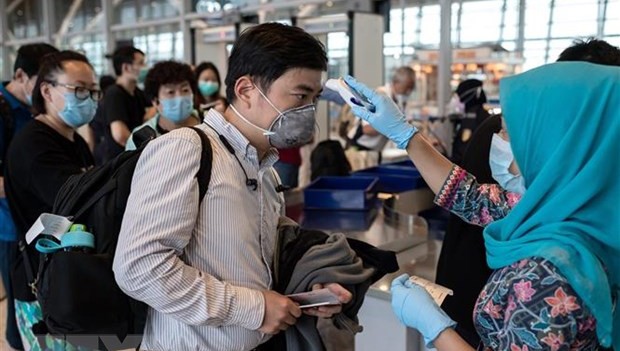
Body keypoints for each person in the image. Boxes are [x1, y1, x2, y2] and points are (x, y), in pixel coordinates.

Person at [345, 60, 619, 349]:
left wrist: (437, 329)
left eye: (507, 133)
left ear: (553, 145)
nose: (497, 142)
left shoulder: (548, 275)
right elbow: (471, 197)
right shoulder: (574, 215)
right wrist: (405, 134)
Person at [113, 23, 352, 350]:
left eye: (313, 97)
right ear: (246, 90)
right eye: (300, 95)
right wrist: (254, 308)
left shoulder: (266, 168)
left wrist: (309, 288)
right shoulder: (186, 149)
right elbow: (138, 268)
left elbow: (255, 263)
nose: (308, 110)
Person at [4, 50, 100, 350]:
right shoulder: (34, 145)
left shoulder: (74, 140)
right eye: (79, 89)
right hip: (42, 285)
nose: (90, 99)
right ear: (46, 90)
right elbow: (82, 202)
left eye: (93, 91)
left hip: (71, 278)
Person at [0, 42, 58, 351]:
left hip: (43, 225)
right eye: (43, 81)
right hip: (11, 226)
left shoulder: (36, 110)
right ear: (21, 75)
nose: (48, 90)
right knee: (19, 300)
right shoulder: (4, 109)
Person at [125, 60, 202, 150]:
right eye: (170, 92)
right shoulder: (140, 139)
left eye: (185, 90)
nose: (180, 97)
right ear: (155, 101)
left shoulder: (210, 125)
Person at [95, 46, 151, 163]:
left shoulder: (136, 92)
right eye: (141, 63)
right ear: (126, 67)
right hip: (120, 161)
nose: (145, 67)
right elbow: (120, 135)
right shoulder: (114, 94)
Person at [344, 66, 416, 154]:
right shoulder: (380, 97)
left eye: (411, 88)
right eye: (407, 87)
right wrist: (392, 125)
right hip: (359, 148)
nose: (408, 91)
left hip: (376, 150)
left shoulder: (399, 101)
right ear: (396, 82)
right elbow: (367, 130)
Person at [448, 79, 490, 166]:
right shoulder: (482, 114)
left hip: (467, 172)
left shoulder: (471, 118)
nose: (457, 101)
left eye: (458, 97)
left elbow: (462, 153)